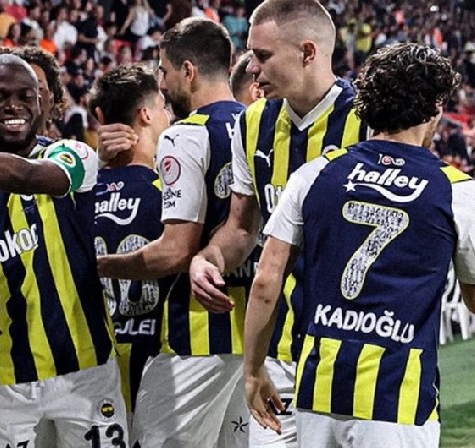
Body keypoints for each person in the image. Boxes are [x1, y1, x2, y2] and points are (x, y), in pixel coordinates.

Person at [244, 42, 475, 448]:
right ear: (436, 107)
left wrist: (252, 369)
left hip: (318, 390)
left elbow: (266, 281)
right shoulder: (456, 190)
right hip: (398, 400)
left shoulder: (314, 174)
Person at [188, 1, 369, 446]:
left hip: (356, 355)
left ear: (307, 52)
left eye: (263, 55)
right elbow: (241, 228)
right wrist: (208, 258)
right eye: (251, 54)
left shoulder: (369, 121)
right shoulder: (252, 124)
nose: (251, 67)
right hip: (281, 356)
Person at [0, 53, 127, 447]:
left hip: (86, 371)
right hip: (6, 380)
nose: (14, 106)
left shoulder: (72, 155)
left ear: (42, 103)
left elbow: (28, 177)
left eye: (26, 96)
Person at [97, 17, 250, 446]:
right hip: (258, 332)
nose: (162, 85)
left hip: (199, 334)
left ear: (188, 70)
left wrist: (100, 266)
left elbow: (175, 252)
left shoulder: (185, 135)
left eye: (164, 71)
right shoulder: (262, 125)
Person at [87, 64, 172, 422]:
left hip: (93, 358)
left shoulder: (78, 193)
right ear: (146, 114)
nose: (168, 116)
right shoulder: (169, 191)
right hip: (157, 354)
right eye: (163, 106)